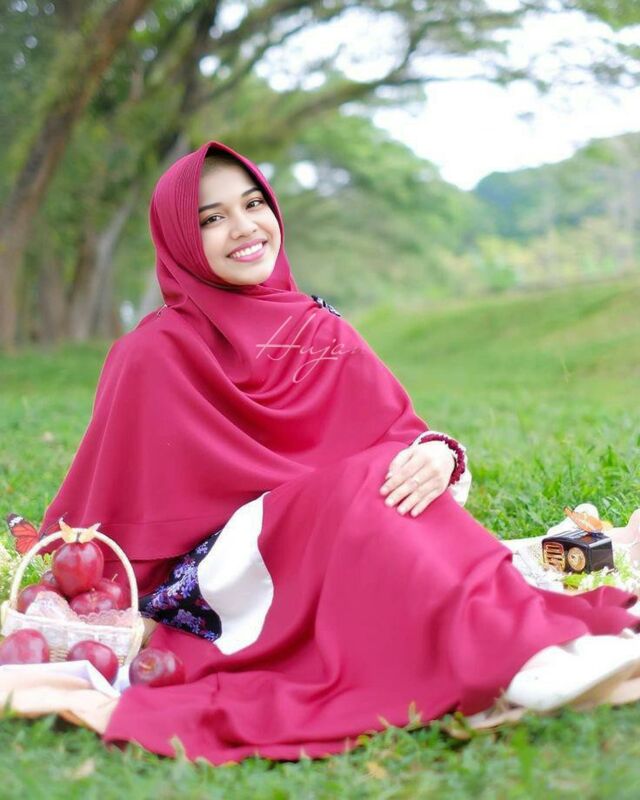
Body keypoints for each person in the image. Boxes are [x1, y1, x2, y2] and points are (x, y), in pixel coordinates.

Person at [40, 141, 640, 765]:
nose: (243, 227)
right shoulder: (151, 354)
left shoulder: (319, 329)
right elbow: (111, 509)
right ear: (181, 241)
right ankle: (517, 654)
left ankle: (524, 640)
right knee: (371, 482)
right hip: (224, 576)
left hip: (338, 538)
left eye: (253, 204)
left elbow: (401, 434)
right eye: (212, 218)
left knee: (391, 480)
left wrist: (437, 455)